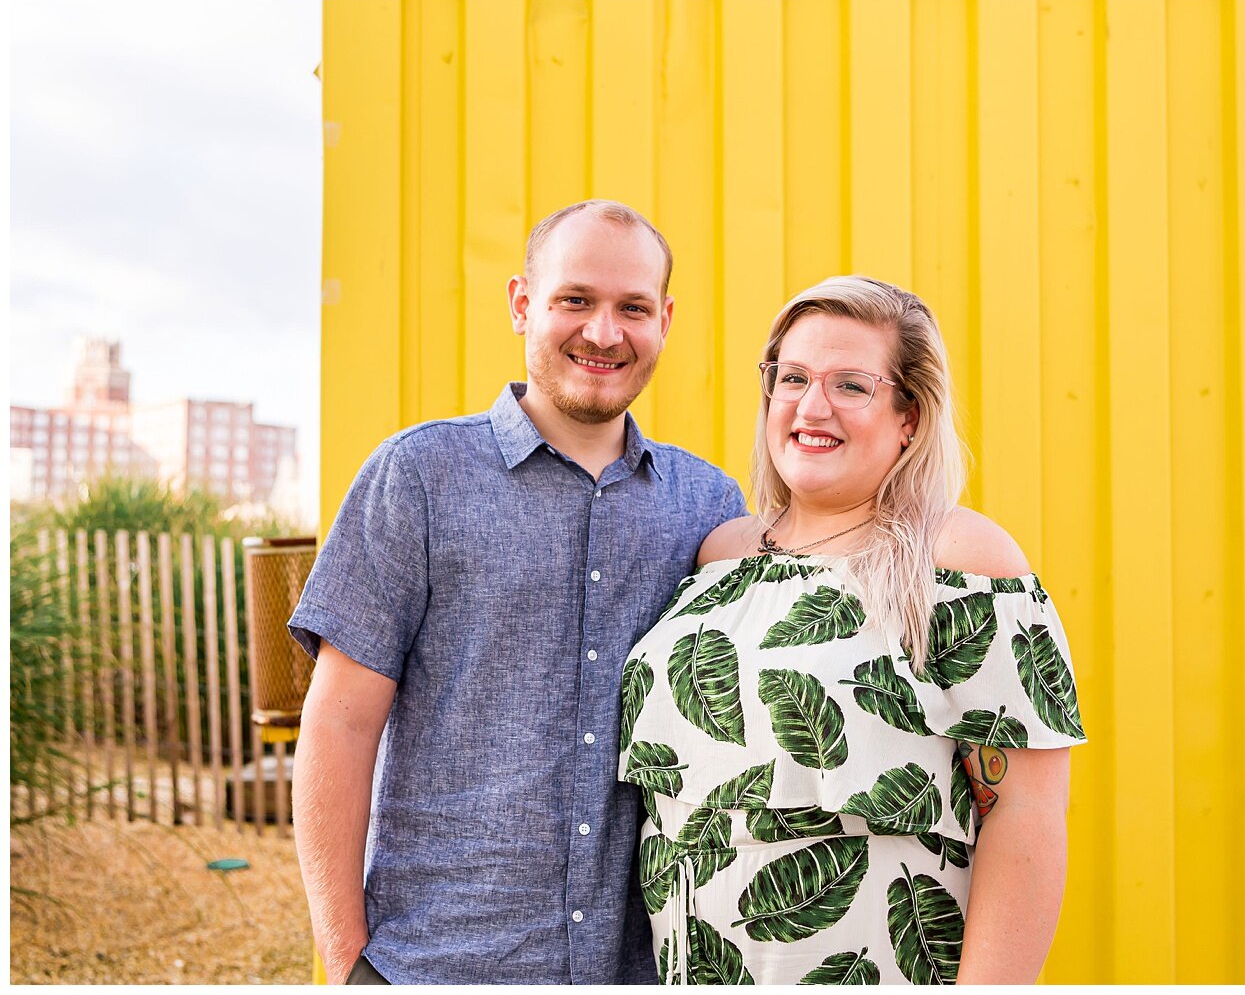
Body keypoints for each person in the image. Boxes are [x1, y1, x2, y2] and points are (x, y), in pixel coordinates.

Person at [288, 200, 746, 985]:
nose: (604, 333)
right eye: (576, 299)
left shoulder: (708, 507)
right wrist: (345, 962)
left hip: (638, 970)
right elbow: (339, 723)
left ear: (665, 321)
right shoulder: (419, 477)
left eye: (632, 308)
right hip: (439, 962)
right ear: (521, 303)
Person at [617, 276, 1086, 985]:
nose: (812, 406)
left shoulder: (959, 559)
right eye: (793, 378)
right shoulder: (720, 555)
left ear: (909, 416)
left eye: (852, 386)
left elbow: (1026, 810)